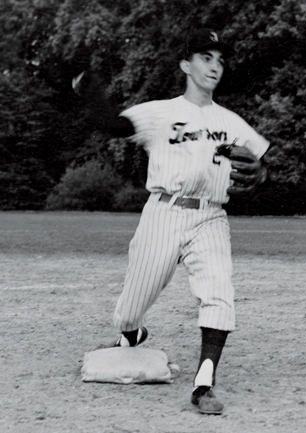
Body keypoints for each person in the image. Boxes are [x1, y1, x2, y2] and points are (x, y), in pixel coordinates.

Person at [73, 28, 269, 415]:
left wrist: (262, 174)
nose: (214, 66)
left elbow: (260, 164)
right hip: (163, 213)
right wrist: (87, 89)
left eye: (220, 60)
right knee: (130, 308)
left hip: (211, 216)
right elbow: (113, 125)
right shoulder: (161, 112)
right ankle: (133, 332)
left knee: (218, 293)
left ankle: (203, 384)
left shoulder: (231, 121)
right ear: (186, 64)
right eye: (205, 57)